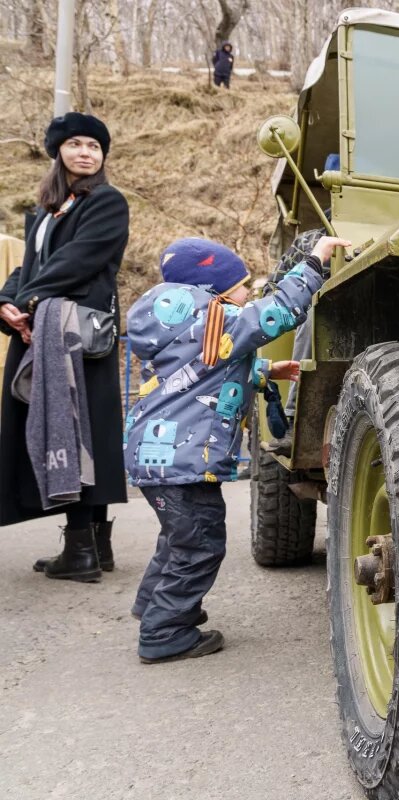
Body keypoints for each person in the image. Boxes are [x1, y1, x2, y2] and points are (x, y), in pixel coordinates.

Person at [123, 234, 347, 663]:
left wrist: (266, 370)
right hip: (183, 461)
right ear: (216, 289)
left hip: (161, 458)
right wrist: (314, 264)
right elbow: (277, 313)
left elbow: (201, 371)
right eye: (243, 284)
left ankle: (154, 605)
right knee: (200, 544)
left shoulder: (184, 325)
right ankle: (166, 632)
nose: (249, 292)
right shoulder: (215, 318)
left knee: (177, 538)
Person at [0, 112, 129, 582]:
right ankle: (92, 547)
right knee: (77, 427)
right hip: (48, 326)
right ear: (58, 151)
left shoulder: (107, 202)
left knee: (76, 428)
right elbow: (29, 268)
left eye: (94, 146)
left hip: (77, 333)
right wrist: (6, 303)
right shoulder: (47, 211)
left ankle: (83, 551)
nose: (85, 152)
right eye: (75, 144)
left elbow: (81, 260)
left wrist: (29, 302)